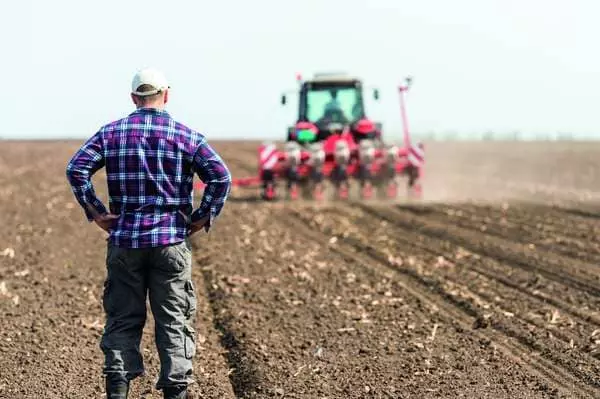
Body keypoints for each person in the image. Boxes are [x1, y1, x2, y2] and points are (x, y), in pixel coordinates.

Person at [65, 67, 232, 399]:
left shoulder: (111, 133)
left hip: (124, 242)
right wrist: (200, 218)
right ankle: (176, 392)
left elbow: (76, 168)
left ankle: (117, 390)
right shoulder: (186, 136)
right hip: (170, 241)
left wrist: (97, 212)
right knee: (174, 320)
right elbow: (221, 177)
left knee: (122, 319)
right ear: (166, 95)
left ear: (133, 98)